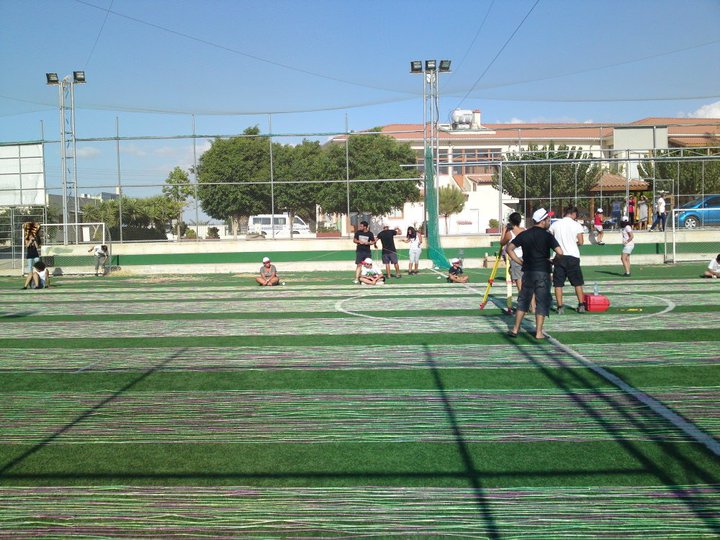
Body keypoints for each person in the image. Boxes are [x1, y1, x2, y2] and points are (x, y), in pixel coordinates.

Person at [506, 208, 563, 340]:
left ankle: (515, 329)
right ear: (542, 221)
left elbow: (509, 249)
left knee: (523, 300)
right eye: (547, 219)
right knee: (541, 301)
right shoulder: (547, 236)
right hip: (543, 272)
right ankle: (538, 332)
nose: (549, 221)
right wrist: (554, 261)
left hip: (528, 271)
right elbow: (560, 252)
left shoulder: (525, 234)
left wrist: (520, 262)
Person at [549, 206, 586, 313]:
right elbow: (581, 242)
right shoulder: (576, 225)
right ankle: (581, 305)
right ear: (573, 214)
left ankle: (560, 306)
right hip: (573, 256)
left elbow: (550, 239)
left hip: (559, 256)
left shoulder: (555, 224)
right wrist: (573, 244)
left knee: (558, 284)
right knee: (577, 283)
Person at [500, 212, 531, 309]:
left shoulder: (510, 233)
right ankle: (532, 306)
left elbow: (502, 243)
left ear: (511, 221)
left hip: (516, 259)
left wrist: (504, 231)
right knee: (529, 284)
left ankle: (524, 306)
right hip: (527, 258)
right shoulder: (525, 230)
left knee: (520, 286)